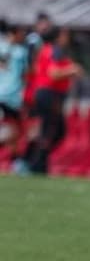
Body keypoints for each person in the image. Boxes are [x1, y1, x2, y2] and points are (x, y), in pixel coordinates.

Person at [23, 26, 83, 175]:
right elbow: (53, 74)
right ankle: (35, 163)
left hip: (45, 94)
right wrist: (73, 70)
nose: (67, 38)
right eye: (64, 35)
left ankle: (35, 162)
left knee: (50, 130)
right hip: (49, 94)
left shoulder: (46, 50)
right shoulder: (54, 51)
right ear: (58, 37)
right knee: (53, 131)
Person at [0, 21, 31, 163]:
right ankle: (17, 162)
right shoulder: (21, 52)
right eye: (21, 34)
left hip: (3, 96)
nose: (23, 36)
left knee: (12, 131)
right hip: (11, 97)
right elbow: (26, 74)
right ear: (14, 33)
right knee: (14, 131)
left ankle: (17, 162)